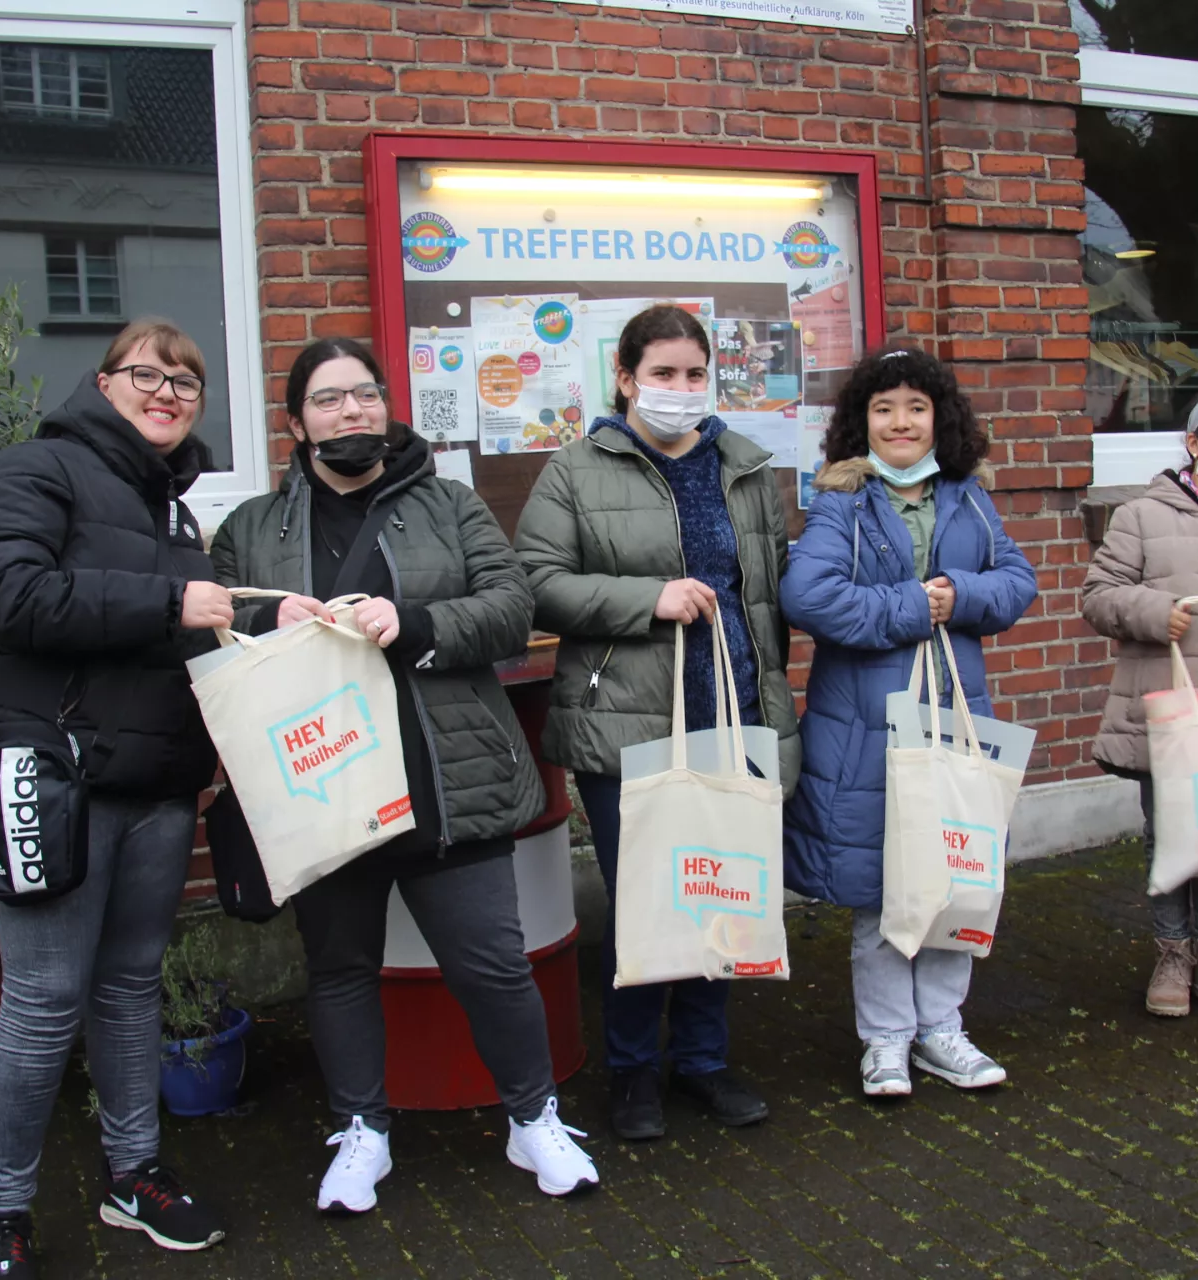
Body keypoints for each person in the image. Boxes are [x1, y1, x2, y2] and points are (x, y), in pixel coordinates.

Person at [209, 337, 597, 1212]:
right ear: (296, 422)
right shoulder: (248, 531)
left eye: (364, 395)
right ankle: (362, 1130)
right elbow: (215, 640)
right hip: (321, 786)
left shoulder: (448, 505)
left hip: (442, 776)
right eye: (327, 400)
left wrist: (411, 619)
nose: (349, 412)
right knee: (340, 968)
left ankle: (533, 1118)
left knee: (493, 965)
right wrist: (276, 625)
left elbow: (510, 607)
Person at [0, 319, 232, 1278]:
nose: (167, 394)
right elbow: (7, 596)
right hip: (53, 778)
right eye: (148, 376)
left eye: (186, 385)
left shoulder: (176, 511)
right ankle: (2, 1213)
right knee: (41, 1001)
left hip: (156, 784)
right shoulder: (37, 468)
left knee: (126, 992)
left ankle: (134, 1173)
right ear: (105, 382)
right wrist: (169, 605)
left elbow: (187, 644)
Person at [514, 304, 800, 1141]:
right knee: (646, 903)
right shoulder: (576, 469)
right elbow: (535, 581)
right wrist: (649, 600)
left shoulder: (744, 467)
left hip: (734, 714)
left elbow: (767, 594)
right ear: (626, 378)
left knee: (721, 894)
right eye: (663, 374)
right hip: (628, 724)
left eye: (695, 374)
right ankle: (634, 1072)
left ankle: (704, 1063)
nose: (681, 390)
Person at [782, 346, 1036, 1099]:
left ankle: (942, 1032)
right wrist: (909, 608)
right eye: (884, 408)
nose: (900, 422)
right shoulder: (843, 501)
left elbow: (1018, 581)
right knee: (884, 890)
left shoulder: (968, 497)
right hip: (865, 729)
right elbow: (809, 597)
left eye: (916, 408)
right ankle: (886, 1040)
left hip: (953, 720)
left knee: (954, 876)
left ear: (939, 419)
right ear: (863, 422)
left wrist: (958, 594)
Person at [1083, 388, 1198, 1017]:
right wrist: (1156, 613)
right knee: (1169, 831)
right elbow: (1098, 595)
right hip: (1165, 712)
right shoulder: (1141, 515)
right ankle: (1172, 952)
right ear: (1195, 445)